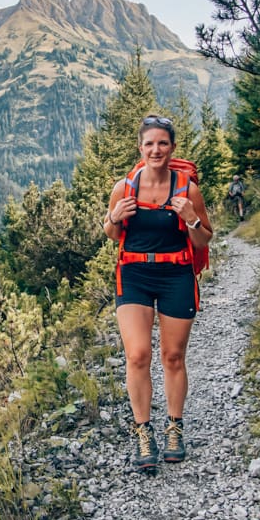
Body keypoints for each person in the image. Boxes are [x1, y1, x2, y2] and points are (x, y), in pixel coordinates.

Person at [102, 114, 212, 471]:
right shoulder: (124, 187)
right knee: (137, 355)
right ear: (140, 148)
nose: (156, 149)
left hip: (176, 273)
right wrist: (115, 218)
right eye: (149, 143)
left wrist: (191, 218)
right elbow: (112, 233)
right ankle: (143, 430)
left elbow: (204, 238)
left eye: (162, 143)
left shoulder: (186, 189)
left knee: (173, 356)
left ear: (172, 148)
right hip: (134, 273)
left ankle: (175, 427)